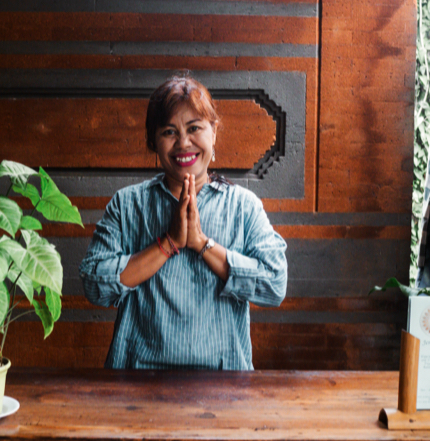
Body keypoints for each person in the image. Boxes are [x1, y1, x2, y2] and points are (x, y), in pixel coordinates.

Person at [79, 76, 287, 370]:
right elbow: (93, 285)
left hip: (223, 384)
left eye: (194, 129)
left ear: (213, 132)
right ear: (153, 141)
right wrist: (169, 243)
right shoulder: (127, 205)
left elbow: (275, 284)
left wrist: (201, 243)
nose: (183, 143)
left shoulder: (243, 206)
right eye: (169, 131)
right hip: (136, 378)